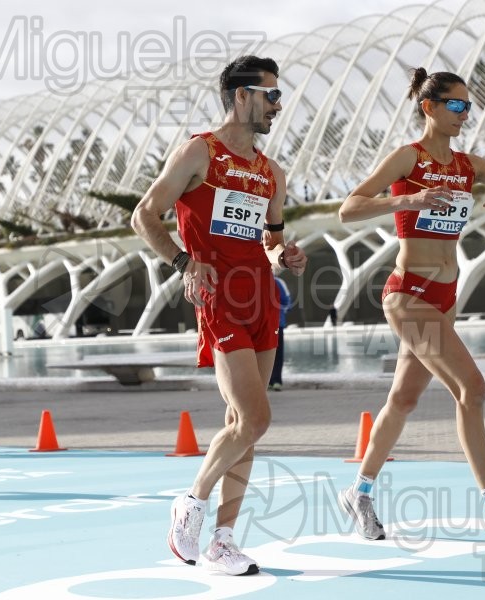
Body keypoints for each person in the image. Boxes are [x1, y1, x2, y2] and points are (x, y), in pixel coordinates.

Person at [337, 67, 485, 543]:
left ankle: (360, 491)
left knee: (404, 399)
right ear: (428, 107)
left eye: (469, 106)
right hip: (408, 293)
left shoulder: (468, 164)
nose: (464, 114)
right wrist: (409, 199)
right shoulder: (406, 158)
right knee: (472, 388)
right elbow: (348, 208)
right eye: (456, 105)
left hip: (445, 298)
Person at [130, 55, 307, 575]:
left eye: (280, 95)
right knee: (255, 418)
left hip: (262, 297)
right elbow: (143, 213)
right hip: (219, 298)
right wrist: (183, 261)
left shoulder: (271, 171)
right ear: (241, 96)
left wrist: (285, 257)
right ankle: (191, 502)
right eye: (270, 95)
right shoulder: (198, 153)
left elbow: (270, 242)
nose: (278, 105)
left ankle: (223, 541)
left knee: (243, 426)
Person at [268, 271, 291, 391]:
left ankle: (274, 381)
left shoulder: (278, 282)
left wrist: (277, 312)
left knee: (274, 353)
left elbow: (287, 302)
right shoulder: (254, 282)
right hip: (269, 325)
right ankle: (272, 381)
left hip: (275, 324)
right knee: (270, 353)